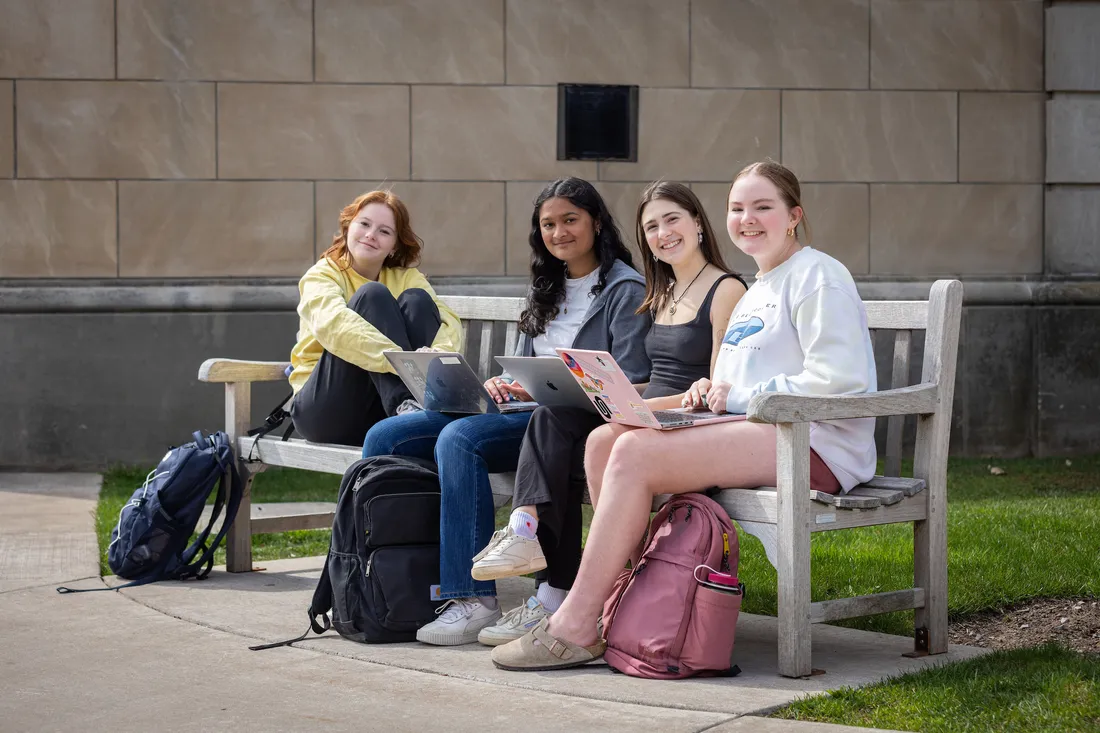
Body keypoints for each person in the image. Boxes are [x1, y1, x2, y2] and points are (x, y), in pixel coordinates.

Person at [491, 160, 879, 671]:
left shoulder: (818, 275)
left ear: (794, 215)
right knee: (604, 440)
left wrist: (737, 393)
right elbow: (736, 378)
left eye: (764, 207)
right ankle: (630, 607)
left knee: (632, 452)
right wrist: (713, 387)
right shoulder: (762, 285)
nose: (748, 218)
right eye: (738, 208)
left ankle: (578, 624)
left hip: (812, 441)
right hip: (761, 428)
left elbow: (842, 379)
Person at [362, 177, 651, 646]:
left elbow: (631, 376)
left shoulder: (625, 289)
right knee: (386, 438)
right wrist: (503, 383)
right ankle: (395, 581)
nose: (559, 232)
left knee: (459, 440)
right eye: (548, 224)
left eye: (570, 220)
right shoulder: (545, 287)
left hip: (572, 422)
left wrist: (559, 384)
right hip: (523, 410)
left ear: (597, 222)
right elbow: (524, 363)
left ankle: (472, 598)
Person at [471, 181, 746, 647]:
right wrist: (599, 387)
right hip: (642, 414)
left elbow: (709, 389)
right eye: (652, 226)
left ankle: (564, 575)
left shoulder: (725, 289)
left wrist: (630, 404)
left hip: (681, 424)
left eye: (672, 220)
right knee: (554, 416)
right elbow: (649, 377)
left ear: (699, 222)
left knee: (580, 431)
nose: (663, 234)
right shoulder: (664, 292)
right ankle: (536, 544)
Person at [288, 190, 463, 447]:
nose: (371, 235)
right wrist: (406, 364)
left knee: (417, 300)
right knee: (371, 295)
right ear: (348, 227)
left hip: (380, 411)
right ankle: (411, 409)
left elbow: (448, 320)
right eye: (365, 224)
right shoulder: (323, 274)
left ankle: (411, 411)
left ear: (394, 245)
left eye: (384, 231)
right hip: (325, 412)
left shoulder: (405, 278)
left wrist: (437, 353)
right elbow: (335, 326)